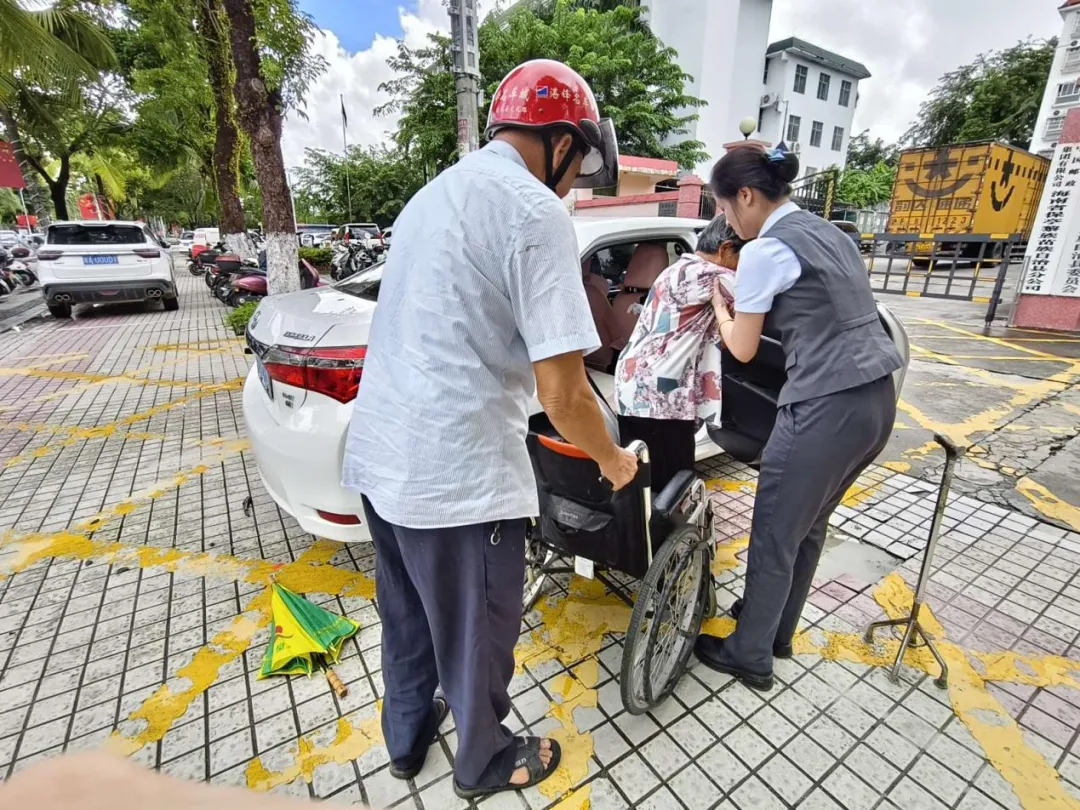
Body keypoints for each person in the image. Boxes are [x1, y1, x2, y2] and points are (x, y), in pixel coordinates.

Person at [340, 60, 636, 799]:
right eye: (578, 165)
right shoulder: (533, 211)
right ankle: (481, 762)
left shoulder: (432, 195)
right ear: (563, 142)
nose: (573, 182)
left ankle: (406, 741)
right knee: (475, 633)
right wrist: (613, 461)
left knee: (406, 615)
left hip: (380, 457)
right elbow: (564, 394)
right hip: (454, 477)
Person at [693, 145, 902, 691]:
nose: (725, 222)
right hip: (877, 402)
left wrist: (721, 305)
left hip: (823, 406)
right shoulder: (829, 231)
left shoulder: (766, 250)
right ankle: (776, 632)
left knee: (773, 533)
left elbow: (740, 348)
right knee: (808, 527)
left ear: (745, 195)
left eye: (724, 207)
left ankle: (749, 655)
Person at [613, 216, 744, 492]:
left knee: (641, 479)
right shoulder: (713, 276)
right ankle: (666, 533)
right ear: (726, 248)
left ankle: (638, 532)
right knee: (673, 484)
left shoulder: (676, 270)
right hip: (661, 395)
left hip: (634, 384)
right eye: (746, 256)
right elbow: (764, 298)